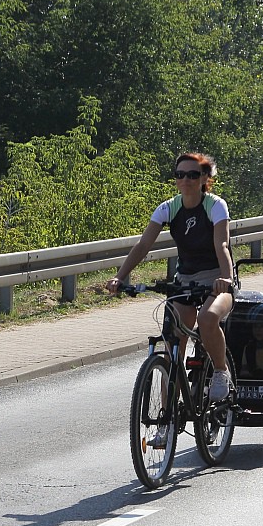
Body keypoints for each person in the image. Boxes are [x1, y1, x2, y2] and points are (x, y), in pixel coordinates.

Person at [106, 152, 236, 400]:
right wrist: (120, 277)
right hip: (185, 281)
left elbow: (222, 246)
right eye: (180, 175)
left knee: (208, 319)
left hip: (217, 279)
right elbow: (143, 245)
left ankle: (221, 370)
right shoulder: (169, 208)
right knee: (172, 351)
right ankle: (166, 423)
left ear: (204, 178)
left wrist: (226, 279)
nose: (185, 179)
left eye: (192, 174)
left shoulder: (215, 206)